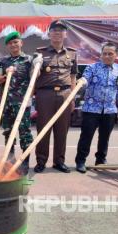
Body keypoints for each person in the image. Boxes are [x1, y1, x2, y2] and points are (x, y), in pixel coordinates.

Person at [32, 19, 78, 173]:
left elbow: (73, 77)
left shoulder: (72, 53)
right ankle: (41, 161)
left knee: (62, 130)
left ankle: (59, 161)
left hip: (65, 94)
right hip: (45, 94)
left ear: (65, 34)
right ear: (49, 33)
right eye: (54, 30)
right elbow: (34, 76)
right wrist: (35, 66)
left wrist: (72, 98)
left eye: (61, 30)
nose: (57, 32)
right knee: (43, 129)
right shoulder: (40, 53)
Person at [75, 42, 118, 173]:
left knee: (105, 137)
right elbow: (85, 79)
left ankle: (100, 160)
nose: (107, 56)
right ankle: (81, 161)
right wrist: (83, 81)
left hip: (109, 110)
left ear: (116, 55)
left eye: (110, 54)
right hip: (91, 109)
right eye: (104, 53)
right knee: (86, 136)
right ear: (101, 54)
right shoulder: (92, 68)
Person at [0, 31, 33, 175]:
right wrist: (6, 74)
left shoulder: (29, 60)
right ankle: (10, 160)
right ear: (7, 46)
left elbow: (35, 77)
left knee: (25, 132)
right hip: (6, 102)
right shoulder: (2, 61)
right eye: (10, 43)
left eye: (15, 42)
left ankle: (25, 162)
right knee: (8, 132)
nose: (13, 45)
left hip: (22, 102)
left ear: (21, 43)